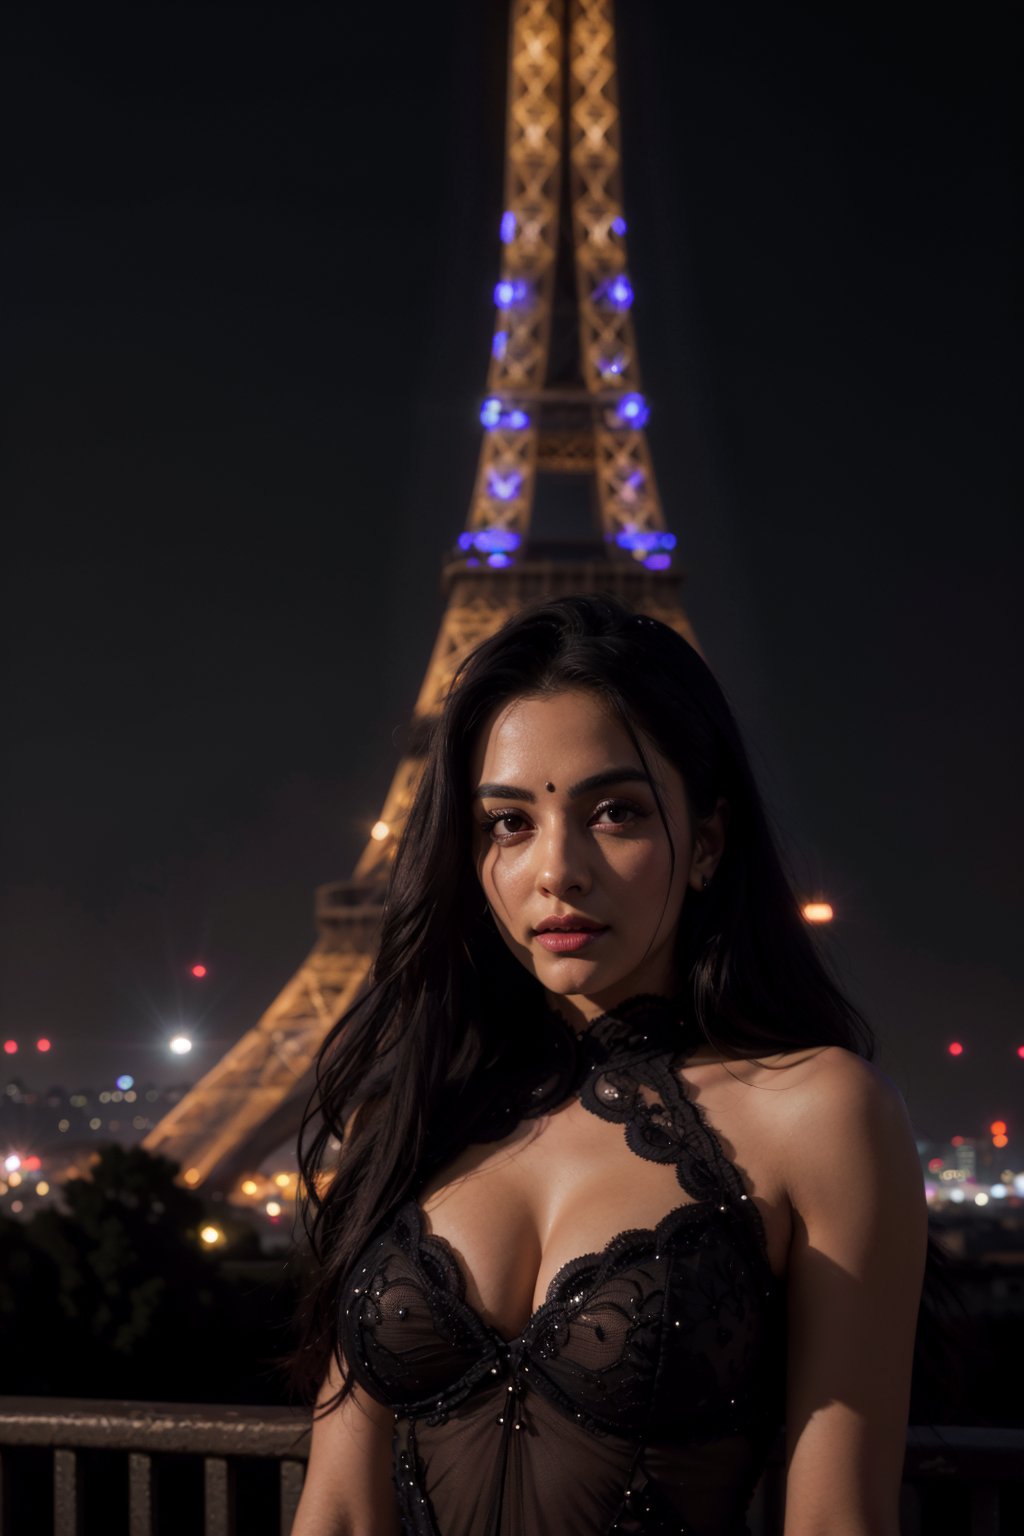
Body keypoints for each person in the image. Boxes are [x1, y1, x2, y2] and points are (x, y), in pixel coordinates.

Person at [288, 593, 927, 1536]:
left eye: (615, 812)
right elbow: (338, 1510)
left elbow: (838, 1520)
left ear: (707, 842)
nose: (557, 869)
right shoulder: (418, 1113)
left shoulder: (822, 1113)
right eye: (508, 823)